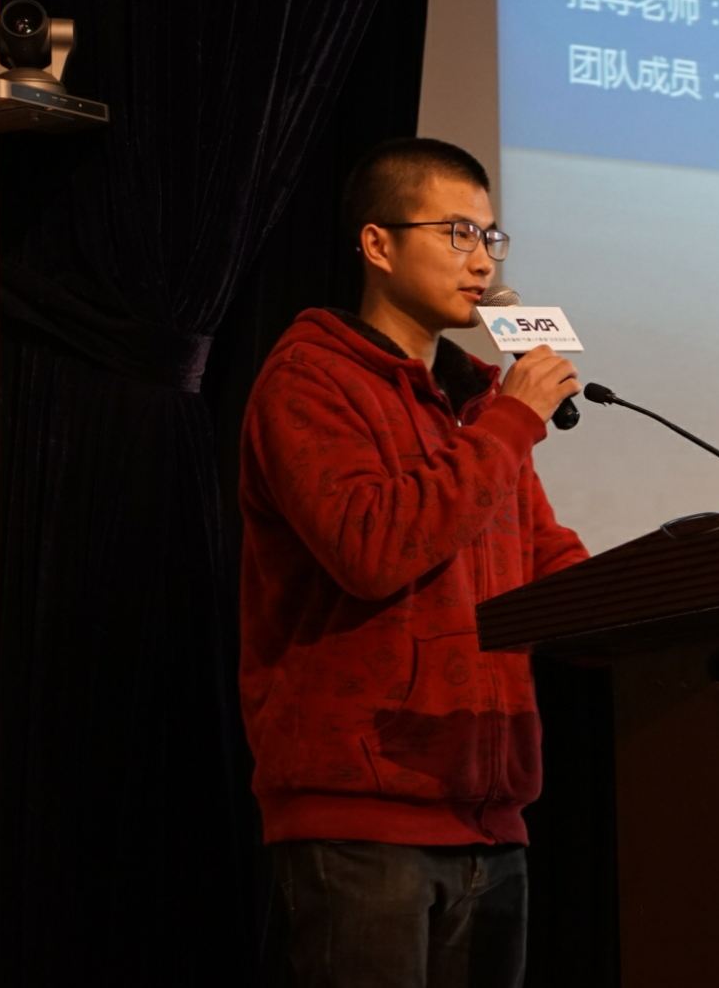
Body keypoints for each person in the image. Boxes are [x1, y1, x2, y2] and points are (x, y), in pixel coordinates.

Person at [238, 137, 588, 987]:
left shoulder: (478, 401)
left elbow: (548, 563)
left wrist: (685, 572)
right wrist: (512, 423)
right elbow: (371, 547)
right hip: (362, 819)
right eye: (458, 233)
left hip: (492, 821)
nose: (483, 261)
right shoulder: (310, 379)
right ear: (378, 244)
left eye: (491, 237)